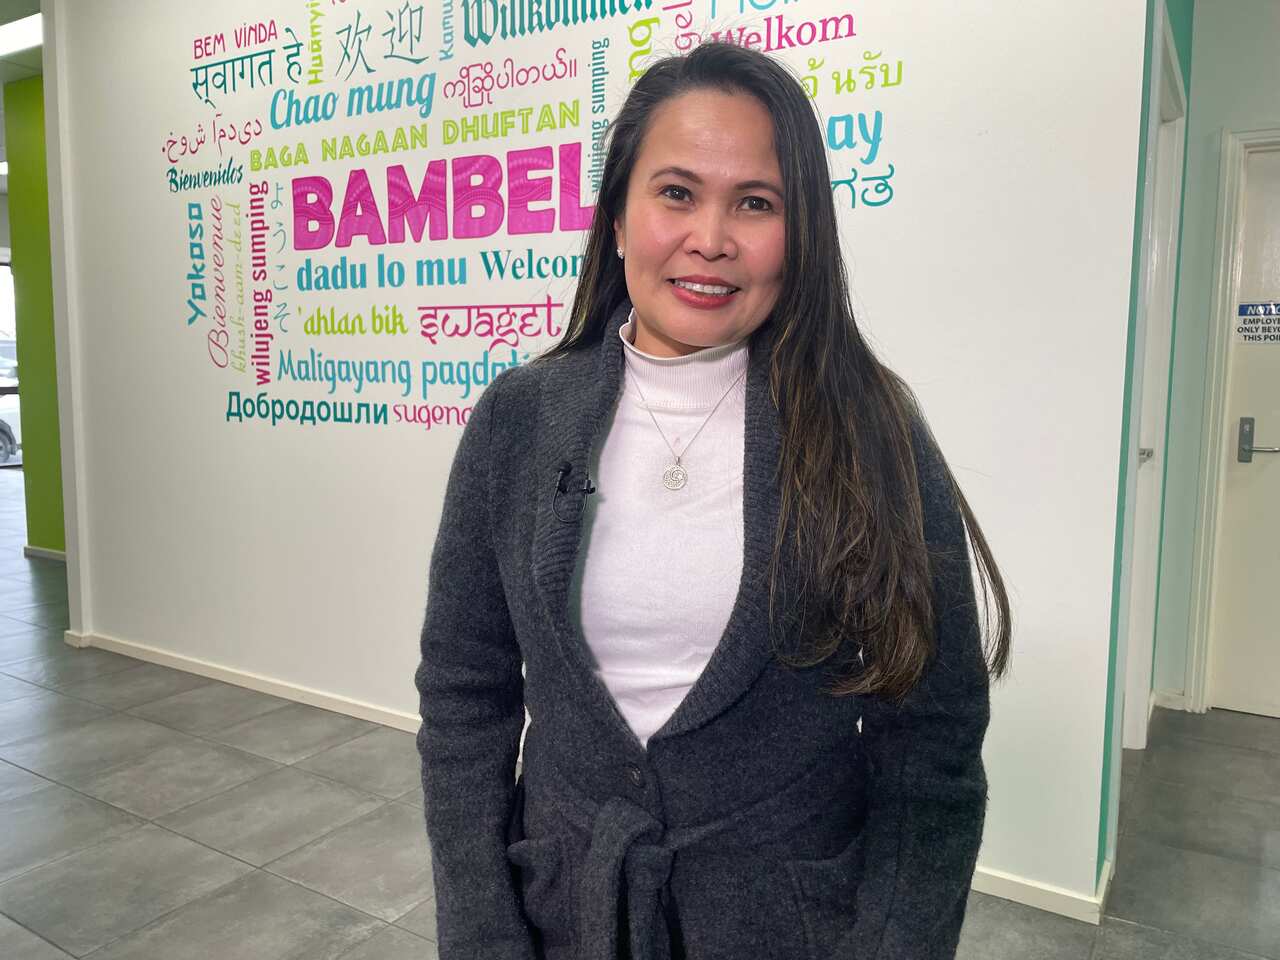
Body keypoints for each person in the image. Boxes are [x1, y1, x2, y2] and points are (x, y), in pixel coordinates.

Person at [415, 40, 1012, 960]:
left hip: (793, 925)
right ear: (617, 216)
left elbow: (931, 741)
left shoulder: (869, 427)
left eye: (757, 204)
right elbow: (465, 695)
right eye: (677, 193)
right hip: (563, 915)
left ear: (800, 230)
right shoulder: (520, 419)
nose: (712, 239)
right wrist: (482, 927)